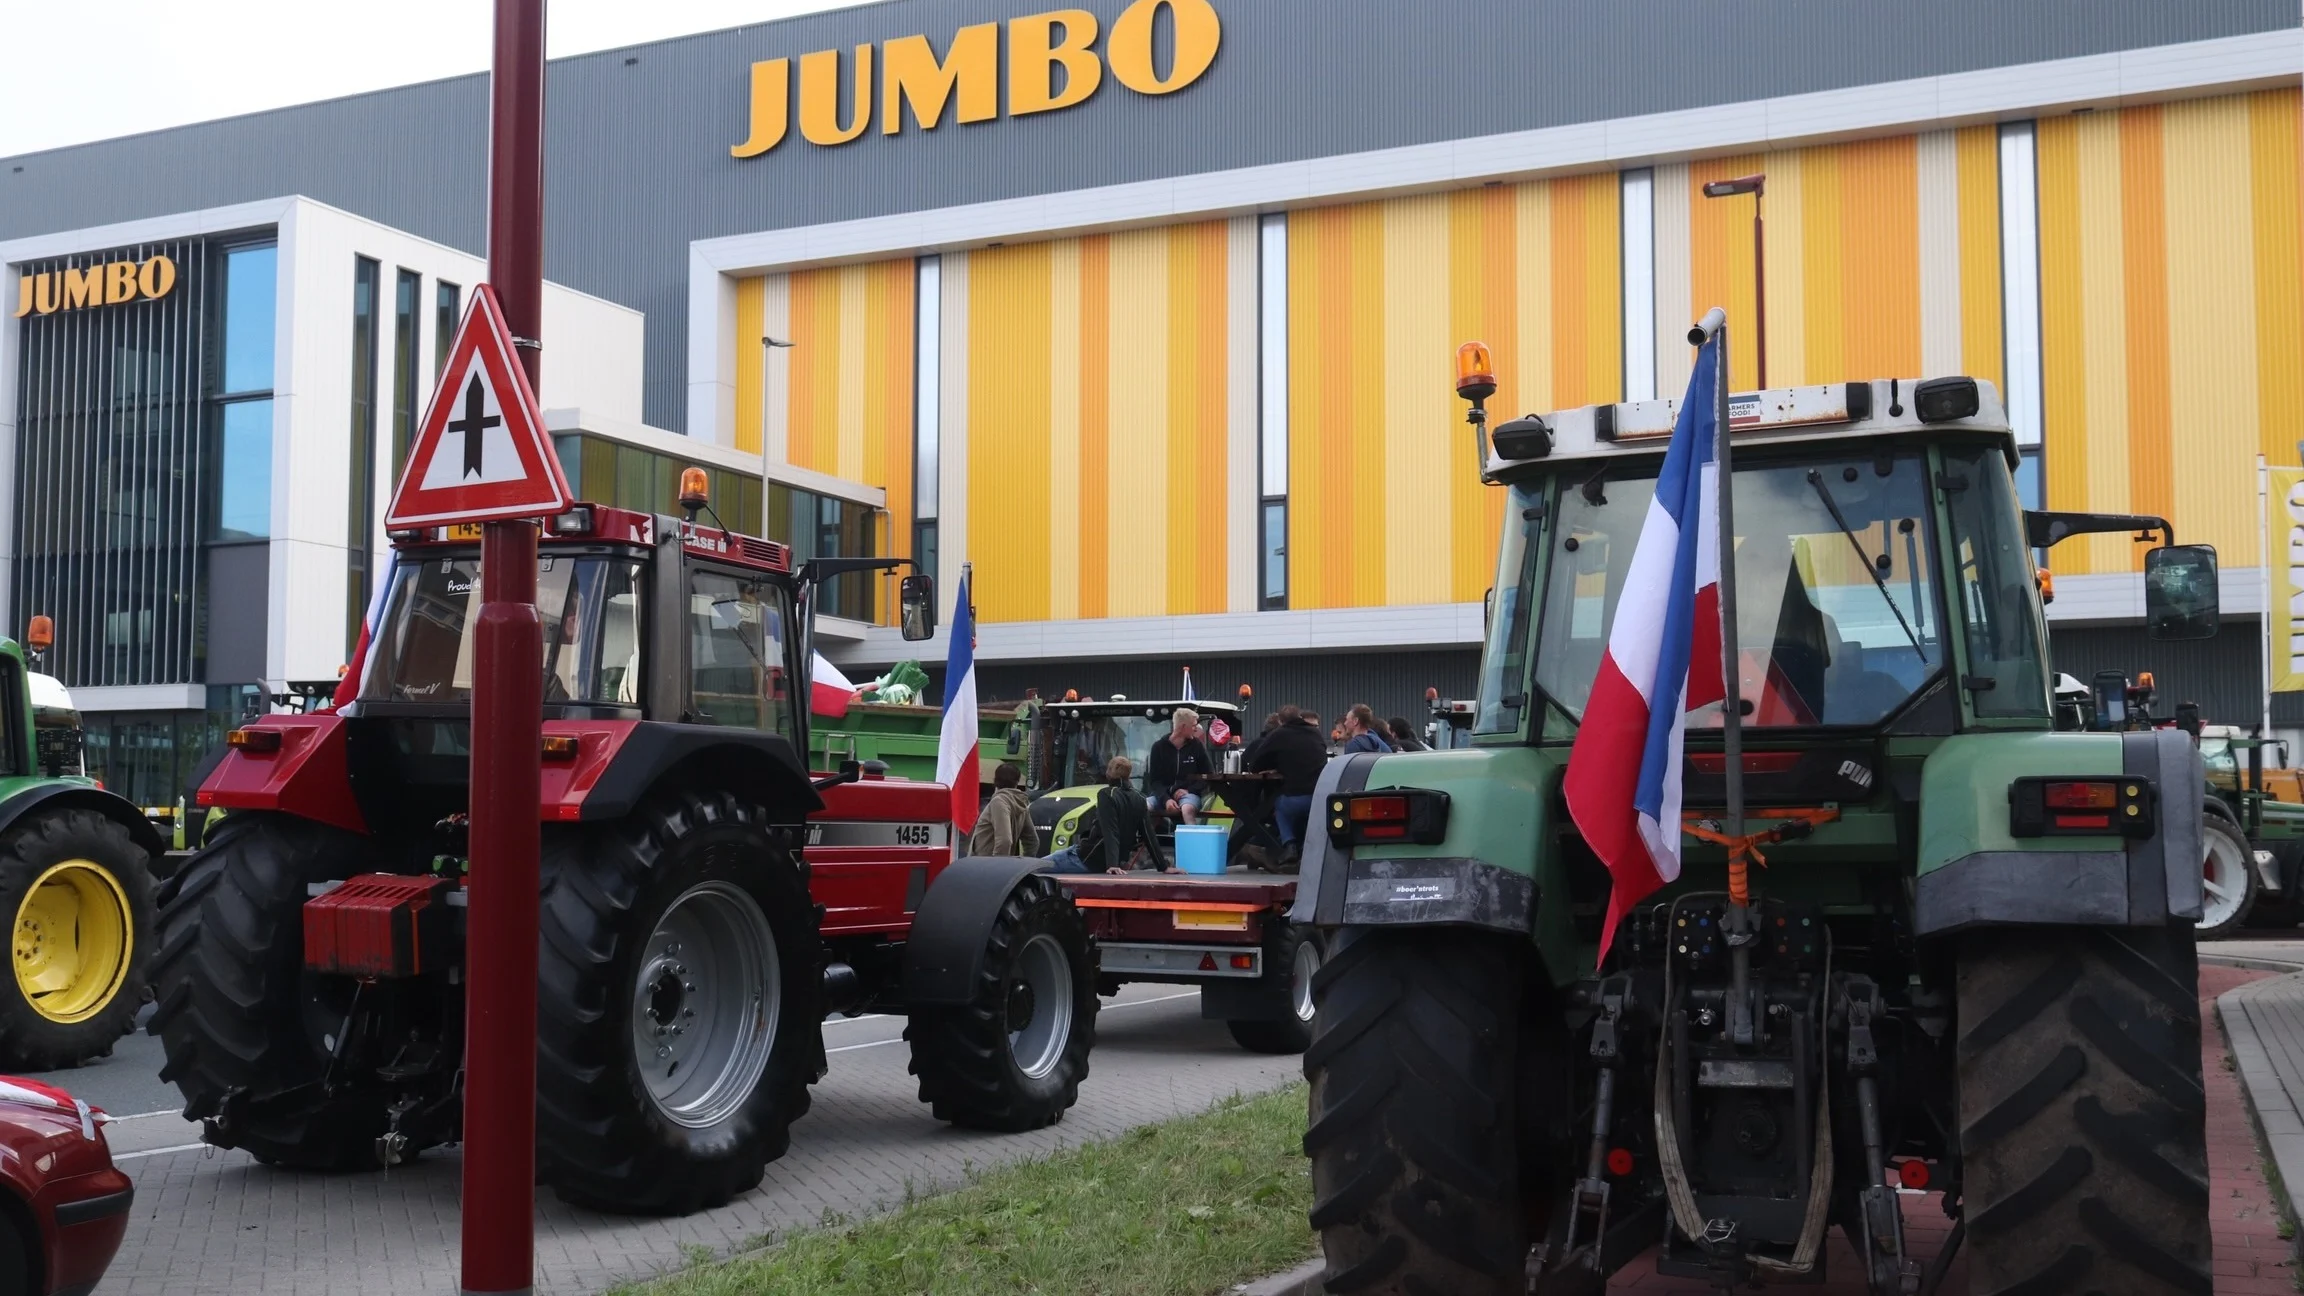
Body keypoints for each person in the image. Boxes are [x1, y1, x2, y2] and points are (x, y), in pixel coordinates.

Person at [1041, 757, 1162, 874]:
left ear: (1109, 772)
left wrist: (1112, 865)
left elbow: (1110, 831)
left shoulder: (1107, 795)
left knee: (1035, 866)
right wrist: (1163, 866)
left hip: (1087, 859)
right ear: (1128, 774)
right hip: (1110, 860)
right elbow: (1149, 834)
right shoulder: (1140, 797)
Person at [1249, 705, 1327, 866]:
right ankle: (1304, 851)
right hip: (1321, 797)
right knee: (1301, 813)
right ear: (1300, 716)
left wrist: (1276, 764)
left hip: (1297, 799)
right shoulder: (1316, 733)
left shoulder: (1279, 734)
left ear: (1281, 721)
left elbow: (1255, 764)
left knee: (1279, 805)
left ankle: (1289, 845)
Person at [1144, 707, 1215, 825]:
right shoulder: (1158, 748)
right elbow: (1154, 781)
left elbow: (1208, 775)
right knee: (1143, 806)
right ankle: (1143, 842)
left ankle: (1192, 841)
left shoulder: (1197, 746)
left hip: (1189, 795)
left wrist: (1189, 790)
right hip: (1161, 795)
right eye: (1193, 726)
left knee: (1187, 810)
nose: (1196, 729)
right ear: (1183, 727)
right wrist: (1166, 800)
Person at [966, 761, 1034, 856]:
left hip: (984, 866)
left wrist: (998, 866)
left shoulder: (998, 802)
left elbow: (1005, 840)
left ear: (995, 780)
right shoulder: (1021, 803)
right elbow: (1032, 841)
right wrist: (1025, 865)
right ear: (1017, 781)